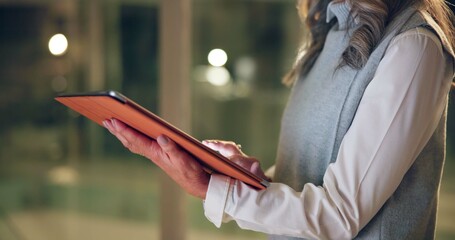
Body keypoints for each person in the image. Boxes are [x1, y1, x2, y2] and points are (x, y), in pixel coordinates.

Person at [103, 0, 455, 239]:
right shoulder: (331, 30)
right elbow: (312, 174)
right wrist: (240, 176)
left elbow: (340, 214)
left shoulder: (415, 47)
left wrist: (218, 192)